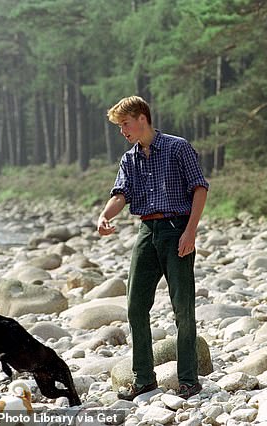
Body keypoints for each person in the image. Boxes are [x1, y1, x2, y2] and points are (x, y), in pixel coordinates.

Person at [97, 95, 209, 400]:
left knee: (182, 308)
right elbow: (120, 194)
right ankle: (144, 379)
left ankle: (188, 379)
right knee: (135, 306)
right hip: (147, 230)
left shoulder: (177, 147)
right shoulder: (129, 158)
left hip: (177, 229)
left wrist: (190, 232)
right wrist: (105, 216)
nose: (122, 131)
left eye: (125, 124)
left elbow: (200, 188)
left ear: (141, 118)